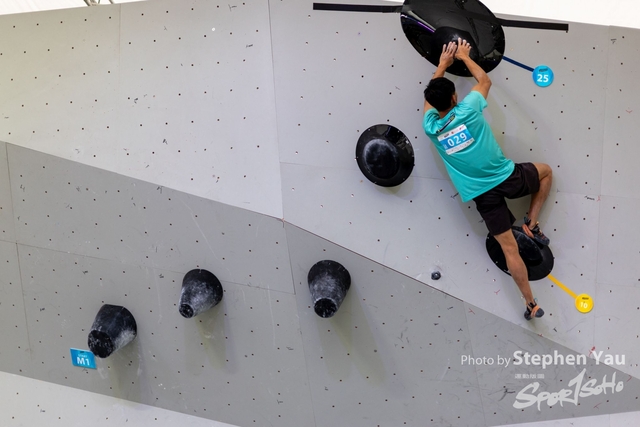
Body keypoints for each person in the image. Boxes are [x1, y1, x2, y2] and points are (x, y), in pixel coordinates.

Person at [422, 38, 552, 321]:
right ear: (454, 97)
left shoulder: (430, 127)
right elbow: (484, 81)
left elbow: (429, 102)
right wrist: (464, 57)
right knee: (545, 172)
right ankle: (532, 222)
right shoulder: (468, 108)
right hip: (506, 177)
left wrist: (441, 65)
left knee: (509, 248)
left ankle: (531, 304)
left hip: (482, 194)